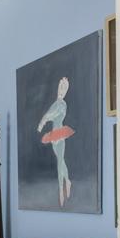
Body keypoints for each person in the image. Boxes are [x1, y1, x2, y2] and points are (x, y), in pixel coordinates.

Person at [37, 77, 76, 208]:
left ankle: (61, 190)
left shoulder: (62, 104)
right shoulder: (56, 103)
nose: (62, 90)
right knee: (62, 161)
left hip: (60, 134)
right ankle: (68, 181)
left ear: (66, 91)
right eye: (61, 87)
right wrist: (43, 121)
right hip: (53, 136)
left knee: (60, 161)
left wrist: (43, 120)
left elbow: (52, 114)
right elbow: (49, 114)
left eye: (64, 88)